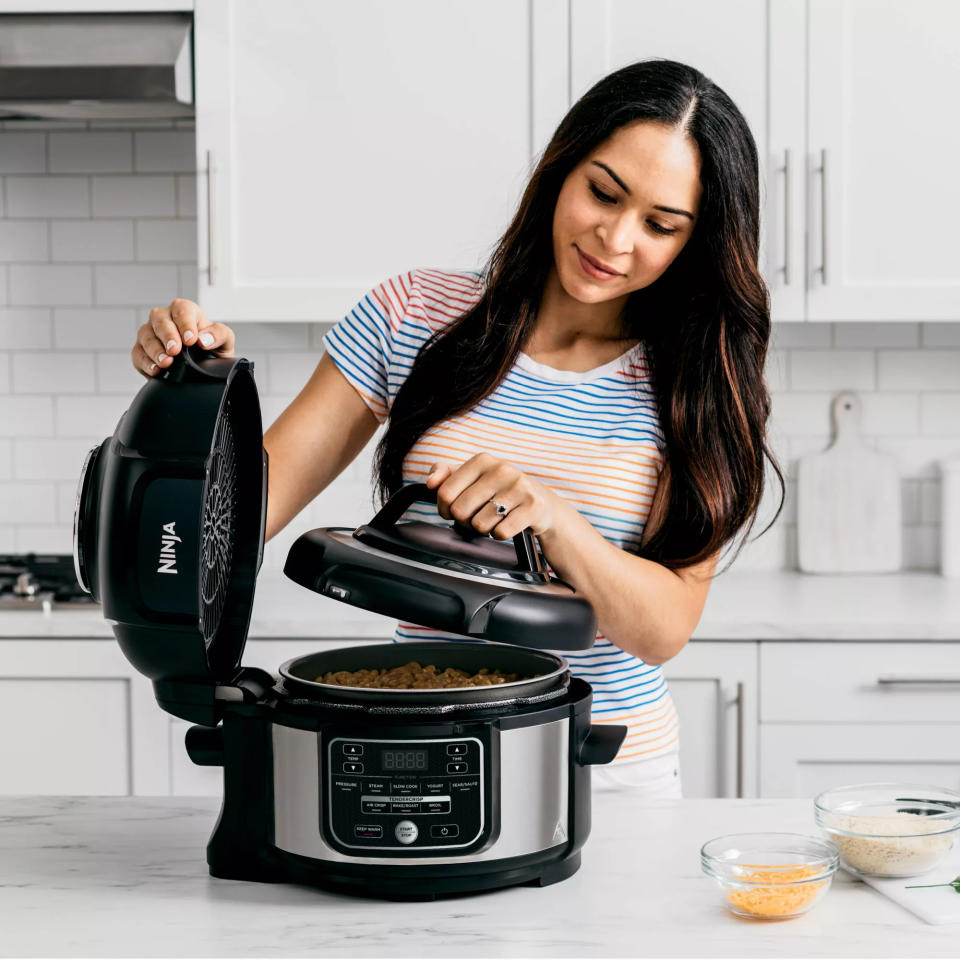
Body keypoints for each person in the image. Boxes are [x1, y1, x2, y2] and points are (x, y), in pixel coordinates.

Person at [131, 59, 784, 799]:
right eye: (602, 192)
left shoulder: (698, 383)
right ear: (559, 171)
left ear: (693, 242)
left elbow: (664, 627)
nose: (615, 238)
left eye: (661, 225)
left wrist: (555, 522)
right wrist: (195, 390)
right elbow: (245, 511)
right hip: (422, 744)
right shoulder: (415, 315)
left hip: (603, 770)